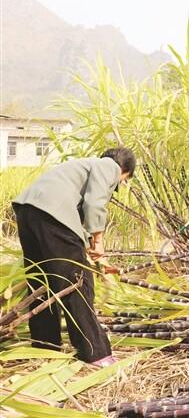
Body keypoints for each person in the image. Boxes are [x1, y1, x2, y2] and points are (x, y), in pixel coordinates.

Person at [12, 146, 136, 367]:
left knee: (42, 281)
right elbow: (94, 203)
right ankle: (95, 353)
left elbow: (77, 222)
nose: (119, 185)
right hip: (52, 215)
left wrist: (96, 256)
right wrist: (99, 243)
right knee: (77, 282)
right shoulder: (108, 165)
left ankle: (45, 346)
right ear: (123, 170)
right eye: (123, 181)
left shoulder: (77, 169)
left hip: (27, 211)